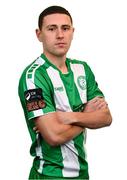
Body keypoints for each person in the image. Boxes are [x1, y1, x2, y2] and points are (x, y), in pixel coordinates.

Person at [18, 5, 112, 180]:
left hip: (82, 174)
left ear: (73, 32)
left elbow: (106, 117)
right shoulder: (33, 76)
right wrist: (87, 116)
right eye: (52, 29)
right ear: (39, 34)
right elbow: (54, 135)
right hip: (49, 175)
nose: (60, 35)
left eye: (65, 28)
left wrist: (68, 117)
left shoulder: (82, 69)